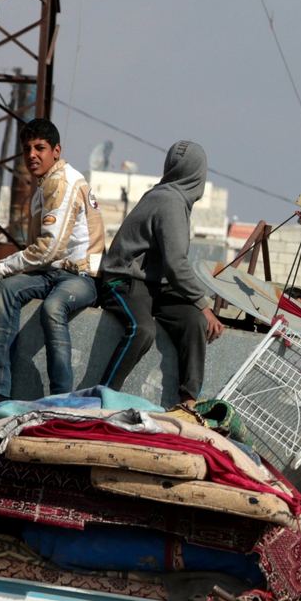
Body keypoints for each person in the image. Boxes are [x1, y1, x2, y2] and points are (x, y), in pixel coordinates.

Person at [0, 118, 105, 402]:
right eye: (27, 149)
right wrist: (4, 274)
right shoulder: (45, 185)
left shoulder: (63, 183)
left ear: (56, 150)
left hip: (80, 277)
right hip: (51, 273)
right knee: (6, 290)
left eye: (40, 148)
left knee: (53, 308)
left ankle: (61, 399)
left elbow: (48, 249)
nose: (32, 155)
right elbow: (44, 255)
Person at [96, 140, 224, 409]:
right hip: (122, 280)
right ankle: (102, 396)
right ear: (198, 174)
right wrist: (204, 304)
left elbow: (171, 268)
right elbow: (177, 264)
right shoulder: (169, 201)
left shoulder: (173, 197)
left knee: (193, 322)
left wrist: (198, 310)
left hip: (153, 284)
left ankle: (188, 401)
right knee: (142, 330)